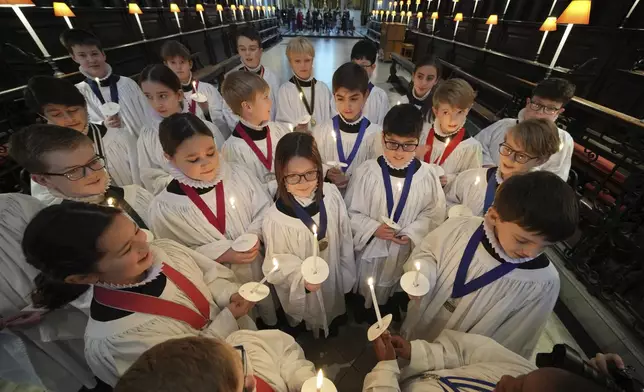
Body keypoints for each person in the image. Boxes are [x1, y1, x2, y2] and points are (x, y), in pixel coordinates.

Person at [22, 202, 256, 386]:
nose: (144, 245)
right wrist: (226, 320)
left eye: (136, 231)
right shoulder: (118, 341)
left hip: (248, 349)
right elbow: (185, 378)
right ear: (83, 277)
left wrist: (227, 296)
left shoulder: (164, 252)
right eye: (126, 249)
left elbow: (208, 275)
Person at [401, 171, 578, 359]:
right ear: (494, 216)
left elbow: (511, 344)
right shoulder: (460, 228)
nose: (531, 253)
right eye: (522, 240)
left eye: (545, 246)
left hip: (460, 362)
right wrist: (424, 274)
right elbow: (428, 253)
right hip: (422, 324)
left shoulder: (543, 283)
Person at [148, 113, 277, 327]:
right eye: (193, 159)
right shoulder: (165, 208)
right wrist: (222, 253)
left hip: (257, 261)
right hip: (220, 282)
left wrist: (254, 234)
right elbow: (177, 257)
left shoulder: (237, 174)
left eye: (211, 153)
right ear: (169, 157)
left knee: (269, 306)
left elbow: (264, 208)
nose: (207, 163)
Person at [345, 104, 446, 323]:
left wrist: (412, 232)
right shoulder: (367, 172)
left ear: (418, 141)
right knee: (367, 290)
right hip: (371, 250)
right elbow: (349, 212)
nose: (399, 152)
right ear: (383, 137)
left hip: (402, 250)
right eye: (392, 144)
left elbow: (434, 214)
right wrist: (373, 228)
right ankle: (365, 309)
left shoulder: (427, 176)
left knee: (394, 285)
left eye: (408, 145)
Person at [262, 132, 355, 338]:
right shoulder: (275, 219)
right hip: (306, 285)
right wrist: (300, 278)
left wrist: (347, 272)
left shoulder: (330, 196)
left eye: (310, 173)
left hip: (332, 273)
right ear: (280, 175)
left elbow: (344, 235)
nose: (303, 182)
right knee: (311, 312)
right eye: (293, 176)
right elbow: (275, 263)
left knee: (332, 301)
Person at [0, 193, 96, 392]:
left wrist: (48, 300)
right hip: (30, 352)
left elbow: (73, 254)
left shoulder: (15, 208)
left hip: (77, 316)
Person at [364, 330, 618, 392]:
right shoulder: (522, 370)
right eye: (520, 379)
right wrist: (413, 352)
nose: (505, 379)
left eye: (516, 390)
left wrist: (386, 370)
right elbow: (467, 352)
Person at [9, 124, 152, 230]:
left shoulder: (134, 194)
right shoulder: (66, 230)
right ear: (43, 180)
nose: (92, 173)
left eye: (93, 161)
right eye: (74, 170)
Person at [23, 76, 140, 195]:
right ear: (43, 116)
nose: (69, 119)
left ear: (85, 105)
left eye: (73, 110)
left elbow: (144, 180)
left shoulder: (118, 138)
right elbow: (47, 200)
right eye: (57, 114)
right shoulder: (45, 154)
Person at [137, 64, 225, 194]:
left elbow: (223, 159)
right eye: (149, 97)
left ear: (178, 95)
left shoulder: (201, 127)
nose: (156, 103)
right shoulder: (147, 136)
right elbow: (149, 175)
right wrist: (183, 180)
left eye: (162, 96)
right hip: (181, 198)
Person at [114, 335, 315, 392]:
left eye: (242, 367)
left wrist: (300, 378)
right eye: (243, 390)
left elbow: (282, 352)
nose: (253, 380)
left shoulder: (241, 344)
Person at [445, 118, 561, 216]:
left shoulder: (535, 201)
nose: (509, 159)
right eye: (507, 148)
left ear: (540, 160)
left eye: (521, 156)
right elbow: (447, 202)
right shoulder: (472, 177)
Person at [474, 78, 576, 181]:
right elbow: (476, 146)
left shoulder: (563, 140)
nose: (540, 113)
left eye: (550, 109)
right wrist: (489, 169)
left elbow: (556, 179)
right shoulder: (504, 124)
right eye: (537, 105)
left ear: (559, 112)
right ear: (528, 102)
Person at [59, 29, 152, 137]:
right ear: (74, 58)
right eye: (82, 55)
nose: (91, 59)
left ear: (103, 54)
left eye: (94, 53)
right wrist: (103, 124)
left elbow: (147, 111)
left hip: (143, 138)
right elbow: (82, 126)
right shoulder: (79, 92)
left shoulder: (127, 83)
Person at [312, 62, 382, 190]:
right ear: (334, 96)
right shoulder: (320, 132)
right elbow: (311, 165)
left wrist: (352, 179)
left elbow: (378, 176)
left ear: (366, 96)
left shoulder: (376, 135)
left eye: (353, 99)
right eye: (340, 98)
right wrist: (327, 172)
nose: (347, 106)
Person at [220, 71, 291, 197]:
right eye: (265, 97)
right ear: (247, 107)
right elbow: (243, 192)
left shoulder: (278, 131)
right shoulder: (233, 149)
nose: (270, 102)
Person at [417, 78, 482, 186]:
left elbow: (472, 182)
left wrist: (450, 179)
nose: (453, 119)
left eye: (460, 112)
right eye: (446, 112)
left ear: (468, 110)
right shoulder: (423, 132)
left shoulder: (471, 148)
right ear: (436, 111)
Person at [160, 40, 230, 137]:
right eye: (173, 62)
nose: (178, 67)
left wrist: (206, 113)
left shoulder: (208, 89)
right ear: (166, 65)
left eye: (182, 62)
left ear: (190, 64)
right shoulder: (167, 98)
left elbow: (223, 120)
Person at [223, 28, 282, 128]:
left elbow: (279, 109)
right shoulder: (234, 80)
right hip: (247, 135)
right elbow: (228, 111)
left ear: (260, 51)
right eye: (242, 49)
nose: (247, 53)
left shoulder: (272, 77)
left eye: (252, 49)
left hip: (271, 132)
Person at [276, 37, 333, 132]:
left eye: (307, 60)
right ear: (290, 62)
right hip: (297, 142)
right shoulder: (285, 90)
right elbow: (282, 124)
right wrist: (295, 129)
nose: (303, 65)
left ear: (312, 60)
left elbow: (331, 119)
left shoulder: (323, 89)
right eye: (297, 61)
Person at [351, 40, 390, 126]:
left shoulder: (380, 96)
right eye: (354, 65)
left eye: (363, 66)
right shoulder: (343, 92)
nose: (358, 70)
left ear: (373, 67)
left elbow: (381, 127)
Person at [397, 56, 441, 125]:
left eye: (429, 78)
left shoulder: (437, 110)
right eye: (420, 76)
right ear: (413, 76)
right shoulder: (403, 101)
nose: (423, 83)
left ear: (436, 81)